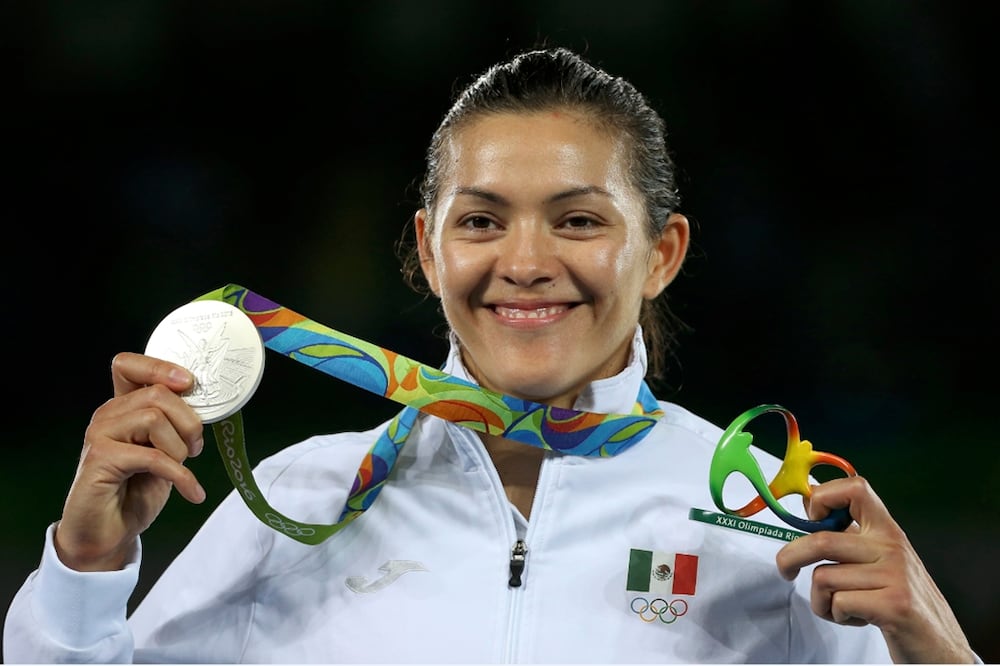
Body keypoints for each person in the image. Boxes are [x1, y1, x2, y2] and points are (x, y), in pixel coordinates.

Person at [3, 46, 977, 664]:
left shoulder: (767, 520)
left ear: (661, 256)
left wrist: (934, 647)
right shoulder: (298, 500)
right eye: (481, 221)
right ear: (429, 252)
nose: (524, 264)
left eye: (578, 220)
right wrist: (87, 567)